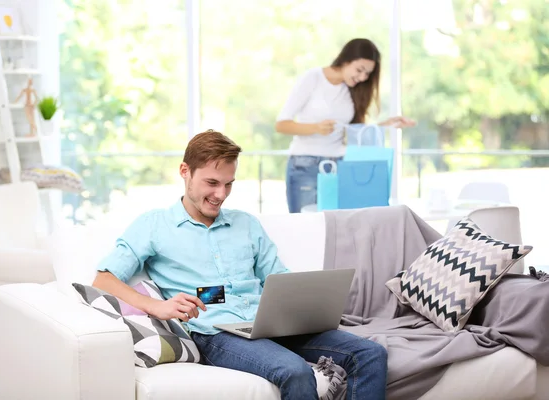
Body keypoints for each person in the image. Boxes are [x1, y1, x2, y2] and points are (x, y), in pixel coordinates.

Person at [92, 130, 388, 400]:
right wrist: (157, 306)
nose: (220, 194)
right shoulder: (154, 225)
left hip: (271, 322)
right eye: (212, 183)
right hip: (214, 331)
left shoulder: (246, 224)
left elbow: (279, 278)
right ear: (185, 172)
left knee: (370, 354)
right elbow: (103, 280)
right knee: (294, 370)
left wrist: (308, 307)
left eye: (228, 184)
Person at [275, 38, 416, 213]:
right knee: (305, 227)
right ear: (346, 60)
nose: (363, 77)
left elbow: (354, 132)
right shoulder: (313, 78)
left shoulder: (353, 90)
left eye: (367, 74)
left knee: (340, 228)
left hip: (341, 165)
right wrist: (316, 128)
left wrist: (386, 124)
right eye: (360, 70)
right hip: (306, 165)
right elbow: (281, 125)